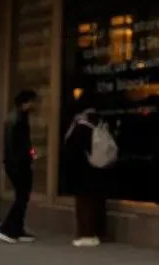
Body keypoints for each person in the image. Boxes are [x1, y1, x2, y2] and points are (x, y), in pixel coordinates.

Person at [63, 95, 112, 247]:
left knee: (84, 203)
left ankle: (87, 234)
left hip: (82, 173)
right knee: (96, 201)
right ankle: (97, 232)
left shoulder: (80, 130)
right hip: (97, 170)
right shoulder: (97, 127)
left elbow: (69, 148)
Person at [0, 90, 38, 244]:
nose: (35, 105)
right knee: (21, 197)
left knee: (22, 197)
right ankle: (6, 228)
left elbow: (26, 143)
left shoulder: (19, 117)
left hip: (19, 163)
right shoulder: (17, 119)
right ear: (25, 102)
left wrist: (32, 154)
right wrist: (26, 158)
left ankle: (17, 229)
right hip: (18, 164)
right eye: (33, 101)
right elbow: (16, 145)